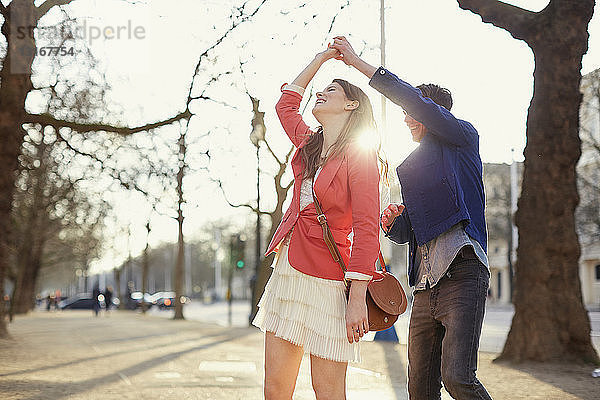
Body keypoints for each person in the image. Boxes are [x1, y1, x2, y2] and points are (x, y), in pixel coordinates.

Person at [331, 36, 492, 399]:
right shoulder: (416, 167)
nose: (406, 119)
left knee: (458, 379)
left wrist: (357, 63)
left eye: (413, 112)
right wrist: (392, 222)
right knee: (419, 387)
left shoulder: (462, 137)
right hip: (424, 285)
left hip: (463, 271)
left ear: (434, 114)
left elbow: (412, 100)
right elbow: (412, 231)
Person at [252, 45, 383, 399]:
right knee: (275, 387)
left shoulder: (361, 155)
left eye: (331, 90)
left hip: (327, 280)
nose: (320, 93)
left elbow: (368, 228)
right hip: (288, 273)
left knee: (327, 391)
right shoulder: (310, 143)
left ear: (350, 104)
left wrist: (357, 297)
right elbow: (286, 105)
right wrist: (321, 59)